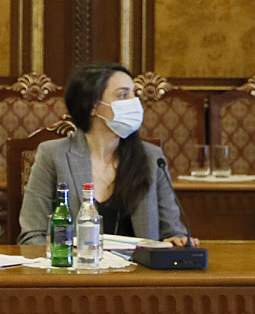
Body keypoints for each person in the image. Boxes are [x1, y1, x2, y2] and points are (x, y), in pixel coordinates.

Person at [19, 62, 196, 247]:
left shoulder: (152, 157)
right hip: (78, 264)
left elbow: (172, 231)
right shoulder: (53, 155)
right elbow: (32, 236)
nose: (134, 102)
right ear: (92, 106)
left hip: (139, 265)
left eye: (134, 94)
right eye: (123, 95)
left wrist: (179, 240)